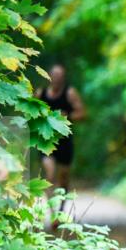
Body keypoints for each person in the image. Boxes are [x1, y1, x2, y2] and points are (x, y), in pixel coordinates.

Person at [36, 64, 86, 225]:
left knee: (63, 178)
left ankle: (60, 211)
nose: (57, 79)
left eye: (60, 76)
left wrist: (68, 115)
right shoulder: (41, 93)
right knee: (49, 175)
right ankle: (53, 214)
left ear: (63, 78)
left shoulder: (69, 93)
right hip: (46, 140)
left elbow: (82, 113)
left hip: (65, 141)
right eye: (54, 76)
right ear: (49, 77)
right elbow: (31, 112)